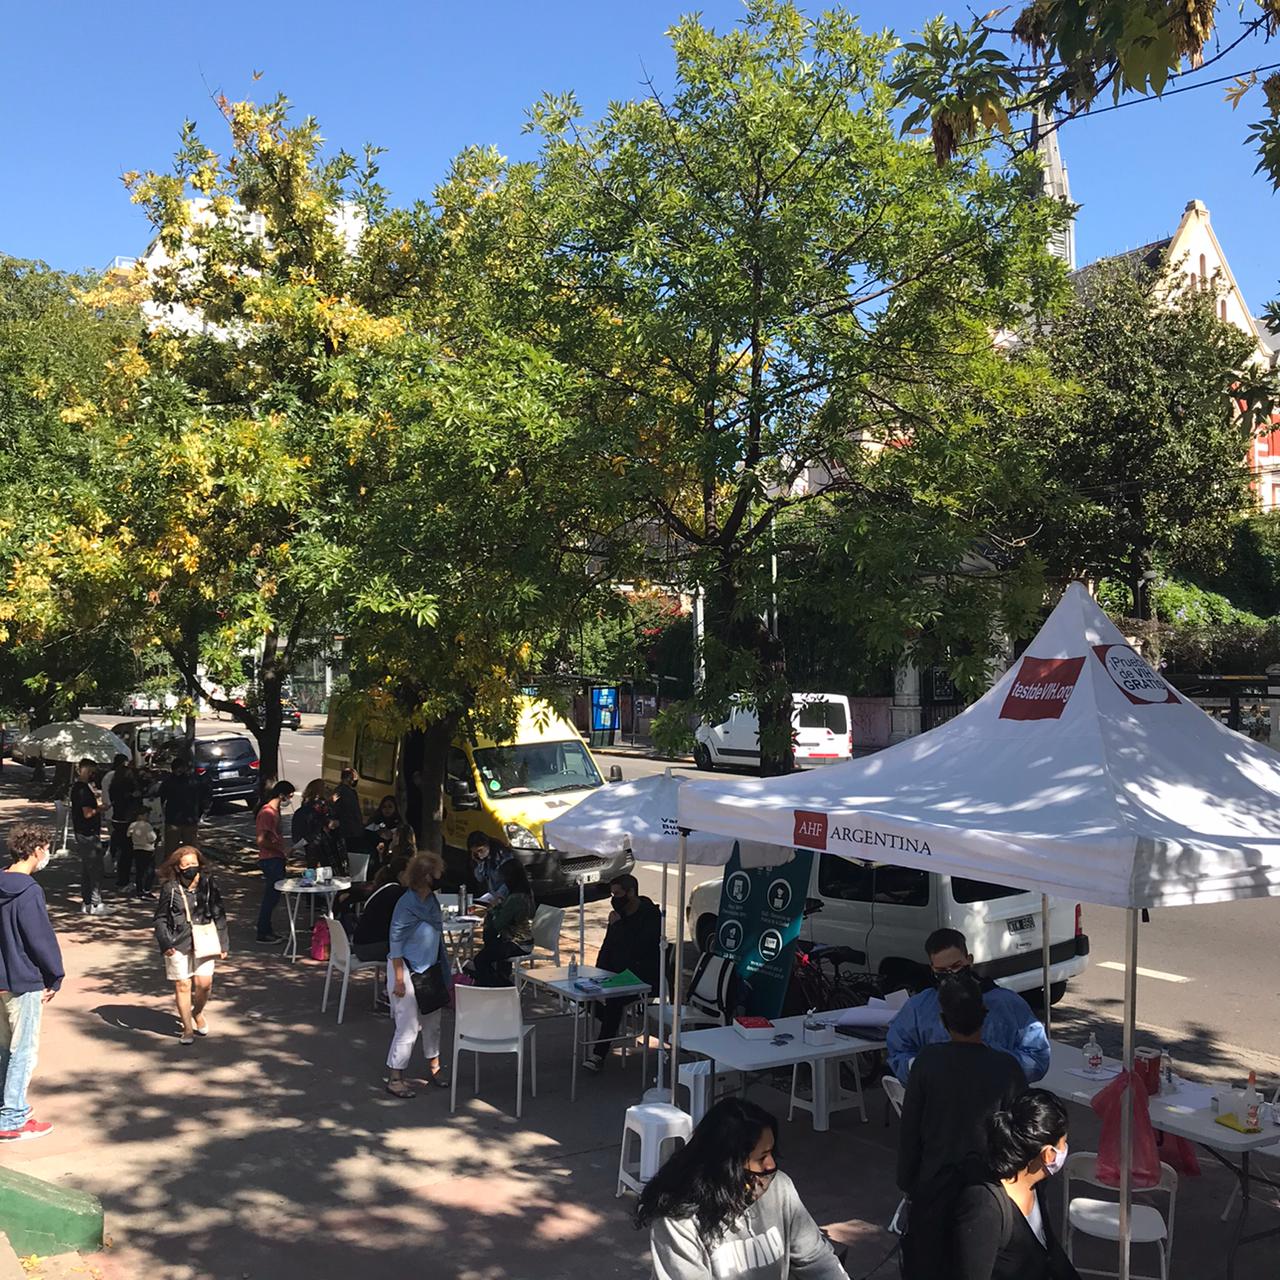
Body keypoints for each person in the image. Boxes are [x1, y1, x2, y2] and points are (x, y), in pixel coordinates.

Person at [897, 973, 1027, 1280]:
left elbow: (910, 1130)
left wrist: (909, 1184)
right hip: (989, 1194)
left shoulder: (927, 1062)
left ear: (944, 1020)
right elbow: (1020, 1140)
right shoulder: (1007, 1068)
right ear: (984, 1015)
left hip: (933, 1186)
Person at [637, 1097, 847, 1279]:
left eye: (772, 1152)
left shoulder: (780, 1187)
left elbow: (816, 1258)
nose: (771, 1165)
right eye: (761, 1157)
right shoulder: (678, 1220)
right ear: (727, 1166)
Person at [887, 929, 1050, 1084]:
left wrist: (996, 1066)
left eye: (956, 966)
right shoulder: (919, 1008)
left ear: (969, 960)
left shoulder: (1006, 1003)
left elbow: (1037, 1057)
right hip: (941, 1096)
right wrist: (921, 1066)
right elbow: (898, 1052)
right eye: (942, 970)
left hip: (998, 1096)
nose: (951, 974)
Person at [952, 1090, 1080, 1280]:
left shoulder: (1034, 1185)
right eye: (1063, 1143)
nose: (1065, 1149)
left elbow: (1049, 1248)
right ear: (1048, 1155)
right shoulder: (984, 1209)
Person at [0, 823, 63, 1142]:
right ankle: (11, 1117)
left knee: (4, 1048)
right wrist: (55, 975)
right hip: (23, 979)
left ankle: (8, 1105)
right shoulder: (29, 891)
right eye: (46, 849)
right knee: (22, 1051)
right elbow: (40, 939)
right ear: (37, 851)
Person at [385, 851, 451, 1099]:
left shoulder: (431, 901)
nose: (440, 877)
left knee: (433, 1023)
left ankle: (435, 1068)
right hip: (406, 970)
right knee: (408, 1026)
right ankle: (395, 1078)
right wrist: (399, 979)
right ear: (425, 876)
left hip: (429, 970)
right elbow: (395, 942)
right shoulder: (406, 904)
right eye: (437, 873)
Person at [584, 873, 661, 1074]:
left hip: (641, 975)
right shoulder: (619, 915)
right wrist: (598, 971)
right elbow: (607, 946)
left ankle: (598, 1054)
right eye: (612, 894)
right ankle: (612, 1023)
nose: (614, 899)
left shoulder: (650, 915)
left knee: (614, 1001)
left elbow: (640, 946)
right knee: (583, 993)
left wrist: (619, 926)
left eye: (618, 894)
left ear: (631, 892)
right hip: (616, 973)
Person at [154, 845, 229, 1044]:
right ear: (178, 867)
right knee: (183, 984)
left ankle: (197, 1012)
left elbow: (219, 912)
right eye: (186, 864)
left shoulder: (208, 884)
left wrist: (223, 943)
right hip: (178, 942)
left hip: (205, 939)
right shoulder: (170, 888)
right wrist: (165, 942)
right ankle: (187, 1028)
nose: (190, 868)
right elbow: (160, 918)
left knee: (204, 985)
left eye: (193, 863)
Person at [471, 859, 534, 986]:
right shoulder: (526, 893)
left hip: (517, 943)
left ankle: (501, 986)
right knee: (491, 950)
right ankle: (500, 980)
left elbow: (498, 925)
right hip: (521, 940)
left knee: (480, 960)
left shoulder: (515, 899)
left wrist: (493, 910)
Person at [255, 780, 295, 944]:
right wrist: (281, 849)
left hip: (276, 858)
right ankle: (263, 931)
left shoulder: (274, 812)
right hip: (270, 859)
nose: (289, 800)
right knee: (271, 897)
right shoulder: (268, 813)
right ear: (281, 795)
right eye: (289, 797)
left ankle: (267, 929)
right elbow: (261, 840)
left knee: (273, 896)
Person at [353, 852, 411, 962]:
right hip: (369, 948)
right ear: (402, 874)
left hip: (361, 944)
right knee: (414, 947)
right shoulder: (395, 892)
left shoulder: (385, 888)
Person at [70, 758, 105, 915]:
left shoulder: (79, 788)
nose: (93, 775)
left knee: (87, 868)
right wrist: (100, 809)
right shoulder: (82, 790)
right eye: (92, 772)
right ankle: (95, 903)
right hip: (87, 832)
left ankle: (87, 901)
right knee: (95, 867)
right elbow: (87, 813)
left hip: (84, 831)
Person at [159, 756, 206, 857]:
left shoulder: (168, 782)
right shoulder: (193, 781)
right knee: (190, 851)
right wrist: (200, 813)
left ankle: (172, 866)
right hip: (189, 818)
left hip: (173, 820)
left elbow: (161, 798)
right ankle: (190, 866)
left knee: (171, 851)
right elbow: (202, 798)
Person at [292, 779, 343, 870]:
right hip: (321, 843)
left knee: (312, 867)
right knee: (326, 868)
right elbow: (325, 821)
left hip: (310, 843)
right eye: (325, 787)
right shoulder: (321, 805)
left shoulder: (306, 805)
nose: (328, 789)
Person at [110, 760, 144, 894]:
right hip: (126, 820)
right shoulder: (129, 789)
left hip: (117, 818)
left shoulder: (114, 786)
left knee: (122, 850)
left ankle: (122, 878)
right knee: (127, 852)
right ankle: (123, 880)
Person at [468, 830, 511, 904]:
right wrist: (479, 863)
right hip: (492, 895)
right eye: (476, 853)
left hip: (506, 896)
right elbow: (480, 878)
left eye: (480, 850)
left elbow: (509, 881)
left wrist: (499, 896)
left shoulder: (502, 856)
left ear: (487, 845)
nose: (479, 855)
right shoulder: (484, 859)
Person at [127, 808, 159, 899]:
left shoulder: (132, 825)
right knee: (150, 871)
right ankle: (147, 889)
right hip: (147, 849)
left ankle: (139, 890)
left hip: (137, 848)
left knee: (139, 871)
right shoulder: (147, 825)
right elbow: (152, 838)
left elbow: (128, 834)